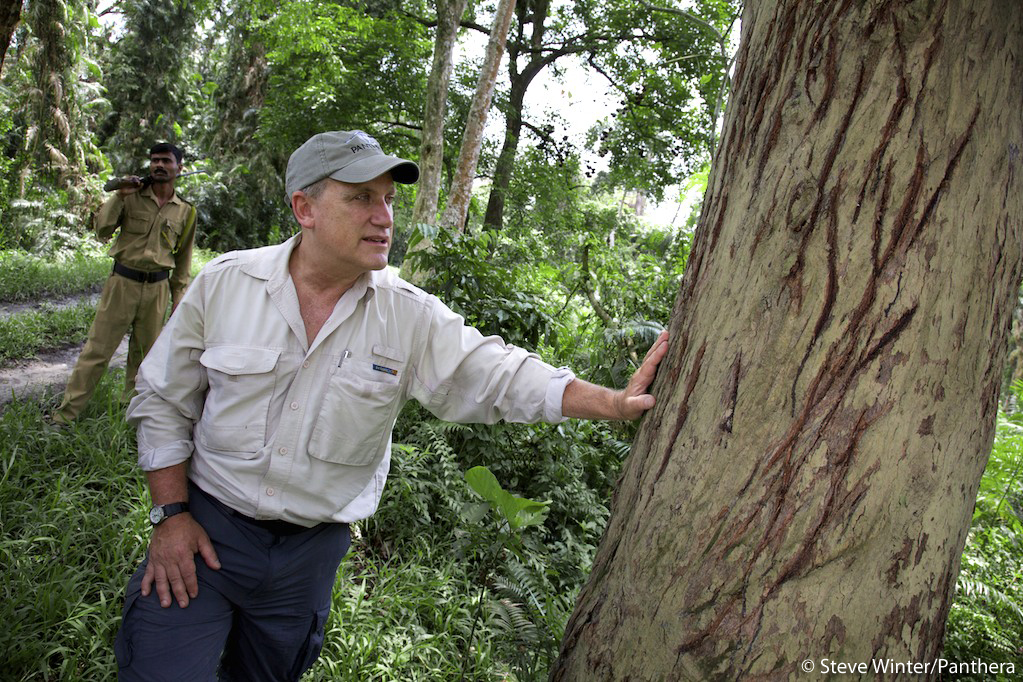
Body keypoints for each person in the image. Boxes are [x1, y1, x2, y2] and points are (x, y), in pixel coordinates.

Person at [115, 130, 669, 681]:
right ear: (304, 208)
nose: (384, 217)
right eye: (360, 198)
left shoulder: (409, 315)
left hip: (308, 558)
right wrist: (170, 515)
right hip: (206, 535)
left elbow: (498, 375)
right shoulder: (226, 285)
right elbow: (163, 399)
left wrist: (613, 403)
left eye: (388, 200)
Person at [50, 142, 197, 425]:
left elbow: (183, 261)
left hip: (157, 290)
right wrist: (119, 196)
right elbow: (102, 229)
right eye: (155, 160)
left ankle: (128, 419)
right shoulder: (131, 196)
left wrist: (179, 299)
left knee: (144, 361)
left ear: (179, 167)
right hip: (122, 283)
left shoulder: (186, 212)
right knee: (96, 352)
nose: (159, 166)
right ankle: (65, 417)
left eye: (166, 161)